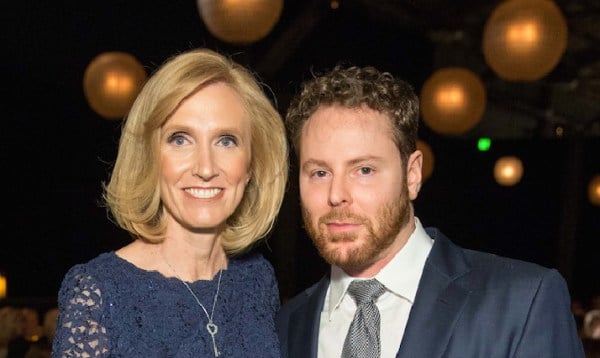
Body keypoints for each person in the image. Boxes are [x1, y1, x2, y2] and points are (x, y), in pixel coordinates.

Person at [276, 65, 585, 357]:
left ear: (412, 175)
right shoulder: (287, 325)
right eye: (319, 173)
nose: (336, 195)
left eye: (364, 170)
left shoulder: (521, 303)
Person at [52, 48, 288, 357]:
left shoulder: (258, 280)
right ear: (151, 157)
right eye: (180, 139)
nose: (205, 167)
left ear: (251, 166)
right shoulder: (98, 291)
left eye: (226, 140)